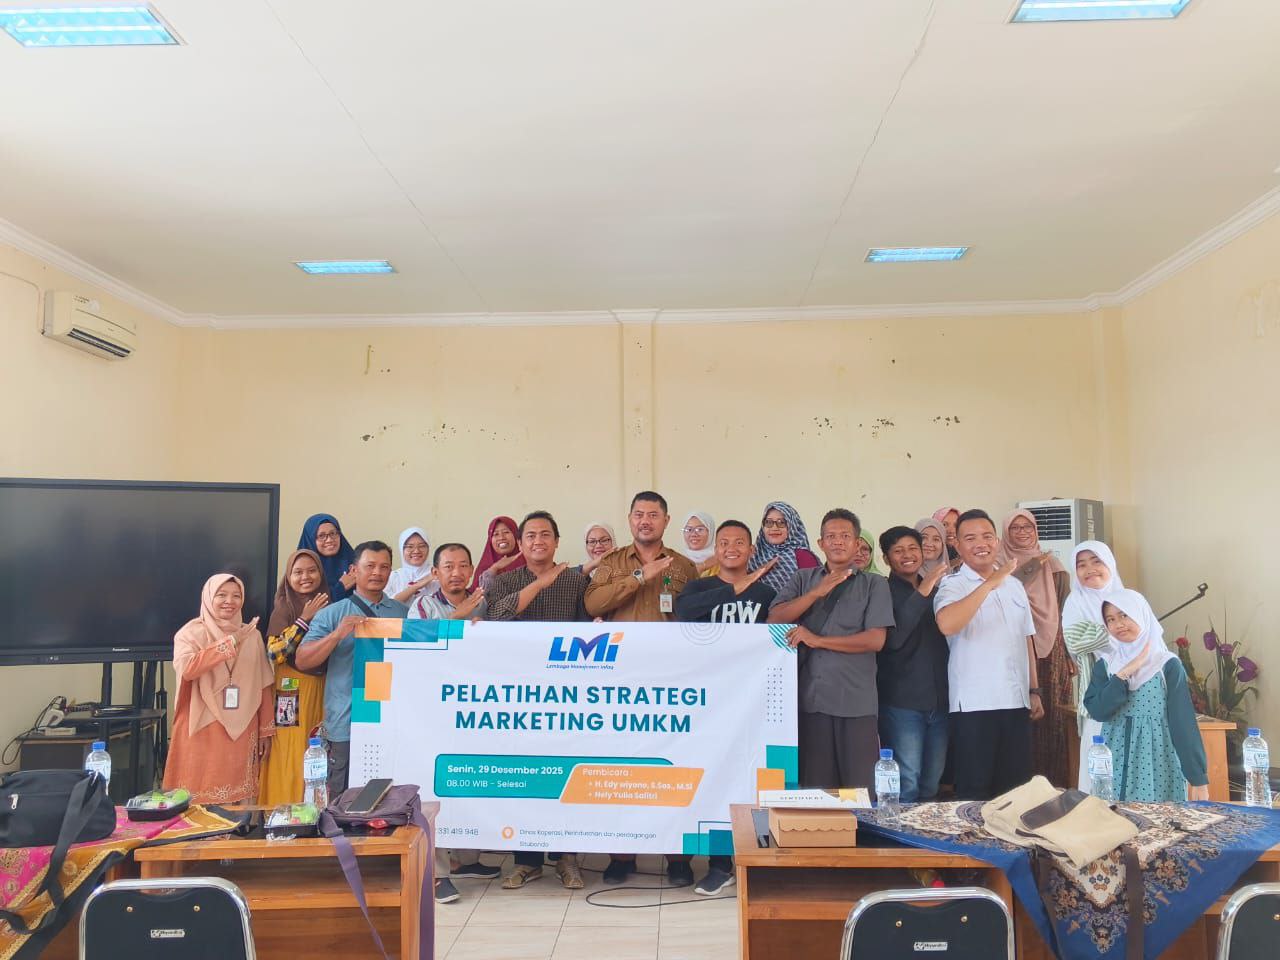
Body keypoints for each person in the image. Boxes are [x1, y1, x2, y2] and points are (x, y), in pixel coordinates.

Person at [585, 491, 698, 887]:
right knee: (622, 768)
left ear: (666, 520)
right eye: (638, 514)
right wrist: (639, 577)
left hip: (670, 683)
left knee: (673, 767)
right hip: (621, 682)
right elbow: (593, 603)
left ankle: (678, 857)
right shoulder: (612, 562)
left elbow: (696, 618)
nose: (645, 521)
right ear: (630, 519)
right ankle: (622, 855)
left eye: (653, 514)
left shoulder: (684, 566)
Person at [487, 511, 590, 890]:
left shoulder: (576, 581)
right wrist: (541, 583)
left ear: (557, 541)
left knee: (565, 775)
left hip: (565, 697)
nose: (538, 541)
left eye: (545, 534)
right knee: (525, 777)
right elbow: (495, 619)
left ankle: (566, 858)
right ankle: (526, 860)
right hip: (519, 696)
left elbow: (586, 630)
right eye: (530, 535)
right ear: (520, 543)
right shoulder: (505, 581)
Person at [674, 519, 776, 895]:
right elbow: (683, 613)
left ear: (751, 550)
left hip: (754, 703)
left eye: (739, 542)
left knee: (757, 780)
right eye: (724, 542)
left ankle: (760, 858)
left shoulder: (767, 593)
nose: (731, 548)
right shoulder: (698, 588)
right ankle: (720, 865)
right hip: (708, 705)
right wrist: (735, 589)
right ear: (716, 550)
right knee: (713, 780)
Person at [768, 509, 894, 791]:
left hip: (856, 703)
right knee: (817, 791)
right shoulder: (803, 578)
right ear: (820, 543)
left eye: (845, 536)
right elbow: (774, 620)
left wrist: (818, 640)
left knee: (860, 793)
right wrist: (816, 593)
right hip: (811, 701)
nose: (838, 541)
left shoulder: (874, 584)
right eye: (831, 536)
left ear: (857, 544)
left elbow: (875, 640)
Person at [934, 510, 1043, 801]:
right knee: (974, 793)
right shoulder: (952, 584)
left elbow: (1026, 639)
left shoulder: (1015, 585)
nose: (980, 544)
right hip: (974, 706)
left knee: (1017, 793)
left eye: (986, 536)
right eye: (970, 538)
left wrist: (1034, 690)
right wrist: (990, 583)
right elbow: (947, 624)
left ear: (996, 541)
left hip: (1016, 701)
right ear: (957, 545)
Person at [1083, 590, 1208, 802]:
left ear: (1140, 614)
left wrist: (1198, 778)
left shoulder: (1167, 665)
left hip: (1157, 760)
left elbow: (1183, 723)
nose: (1118, 624)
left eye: (1124, 615)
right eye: (1110, 619)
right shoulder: (1106, 665)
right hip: (1114, 760)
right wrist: (1124, 673)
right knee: (1113, 819)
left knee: (1157, 821)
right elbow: (1098, 711)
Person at [164, 574, 275, 803]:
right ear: (208, 598)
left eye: (236, 595)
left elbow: (263, 683)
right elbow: (188, 669)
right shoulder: (190, 633)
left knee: (238, 800)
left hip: (243, 726)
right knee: (197, 794)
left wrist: (265, 729)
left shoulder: (252, 635)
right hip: (203, 724)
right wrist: (231, 642)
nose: (229, 601)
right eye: (221, 595)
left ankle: (236, 828)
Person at [876, 527, 950, 803]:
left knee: (932, 782)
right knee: (907, 782)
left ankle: (926, 830)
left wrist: (928, 588)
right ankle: (900, 831)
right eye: (898, 551)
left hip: (940, 701)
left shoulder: (939, 590)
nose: (907, 555)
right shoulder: (881, 591)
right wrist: (923, 591)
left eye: (912, 548)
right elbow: (893, 639)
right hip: (902, 703)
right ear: (886, 559)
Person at [1001, 510, 1071, 786]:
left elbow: (1064, 610)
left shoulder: (1054, 565)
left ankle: (1055, 782)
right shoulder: (1000, 564)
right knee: (1021, 717)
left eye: (1027, 527)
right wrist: (1030, 567)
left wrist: (1067, 652)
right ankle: (1020, 784)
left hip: (1052, 648)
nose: (1022, 532)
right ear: (1006, 533)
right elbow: (1002, 590)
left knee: (1053, 717)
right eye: (1015, 528)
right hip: (1013, 645)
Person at [259, 550, 330, 807]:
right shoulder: (284, 607)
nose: (305, 577)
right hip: (291, 690)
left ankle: (314, 811)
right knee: (290, 750)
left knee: (316, 747)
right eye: (297, 572)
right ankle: (284, 810)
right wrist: (303, 620)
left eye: (312, 570)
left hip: (322, 686)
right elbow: (274, 652)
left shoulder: (330, 603)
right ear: (288, 577)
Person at [1062, 540, 1126, 791]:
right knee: (1098, 767)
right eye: (1081, 565)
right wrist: (1116, 630)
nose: (1090, 569)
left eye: (1096, 561)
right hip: (1098, 696)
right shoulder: (1075, 602)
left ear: (1110, 563)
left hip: (1135, 695)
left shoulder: (1129, 600)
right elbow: (1075, 641)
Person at [748, 501, 820, 592]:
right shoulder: (753, 555)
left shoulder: (803, 556)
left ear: (792, 526)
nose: (774, 528)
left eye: (781, 522)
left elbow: (813, 594)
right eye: (768, 522)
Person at [409, 543, 488, 621]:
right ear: (435, 573)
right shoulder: (425, 604)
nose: (457, 573)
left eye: (463, 566)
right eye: (448, 567)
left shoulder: (480, 603)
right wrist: (455, 616)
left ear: (471, 571)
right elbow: (418, 630)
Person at [298, 513, 357, 602]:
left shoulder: (354, 564)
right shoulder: (300, 570)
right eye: (321, 536)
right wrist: (340, 588)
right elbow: (305, 604)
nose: (329, 540)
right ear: (311, 540)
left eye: (333, 533)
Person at [470, 515, 525, 591]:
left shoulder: (529, 563)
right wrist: (494, 569)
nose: (501, 537)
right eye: (496, 534)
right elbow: (478, 595)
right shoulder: (484, 569)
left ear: (516, 535)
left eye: (506, 532)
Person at [386, 527, 435, 605]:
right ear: (402, 549)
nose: (416, 551)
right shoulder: (394, 577)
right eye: (410, 547)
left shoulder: (437, 574)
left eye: (422, 546)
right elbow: (388, 605)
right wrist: (418, 585)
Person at [680, 510, 718, 576]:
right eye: (689, 529)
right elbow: (667, 582)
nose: (693, 534)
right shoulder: (675, 562)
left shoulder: (721, 563)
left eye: (700, 529)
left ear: (710, 532)